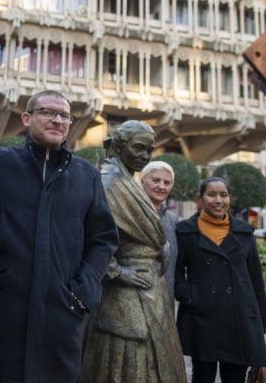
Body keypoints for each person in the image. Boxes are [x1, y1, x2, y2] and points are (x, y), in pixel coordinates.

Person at [0, 90, 118, 383]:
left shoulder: (86, 176)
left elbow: (103, 238)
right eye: (48, 112)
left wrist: (83, 290)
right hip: (3, 318)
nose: (57, 120)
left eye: (64, 115)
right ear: (27, 118)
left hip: (62, 320)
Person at [80, 120, 187, 383]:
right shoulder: (110, 183)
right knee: (125, 362)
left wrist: (161, 249)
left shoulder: (128, 181)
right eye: (138, 148)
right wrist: (117, 271)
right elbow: (85, 238)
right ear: (118, 145)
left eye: (149, 150)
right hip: (125, 293)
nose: (144, 156)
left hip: (152, 288)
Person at [175, 177, 266, 383]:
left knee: (235, 378)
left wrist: (261, 318)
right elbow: (175, 273)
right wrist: (192, 296)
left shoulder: (244, 232)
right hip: (202, 318)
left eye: (223, 195)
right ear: (200, 199)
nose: (218, 200)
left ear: (230, 199)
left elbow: (255, 278)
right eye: (211, 194)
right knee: (202, 377)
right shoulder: (185, 231)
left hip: (240, 318)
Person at [141, 160, 179, 303]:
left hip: (165, 301)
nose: (161, 186)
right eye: (156, 180)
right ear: (143, 181)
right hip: (134, 299)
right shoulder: (129, 214)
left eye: (167, 183)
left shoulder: (173, 220)